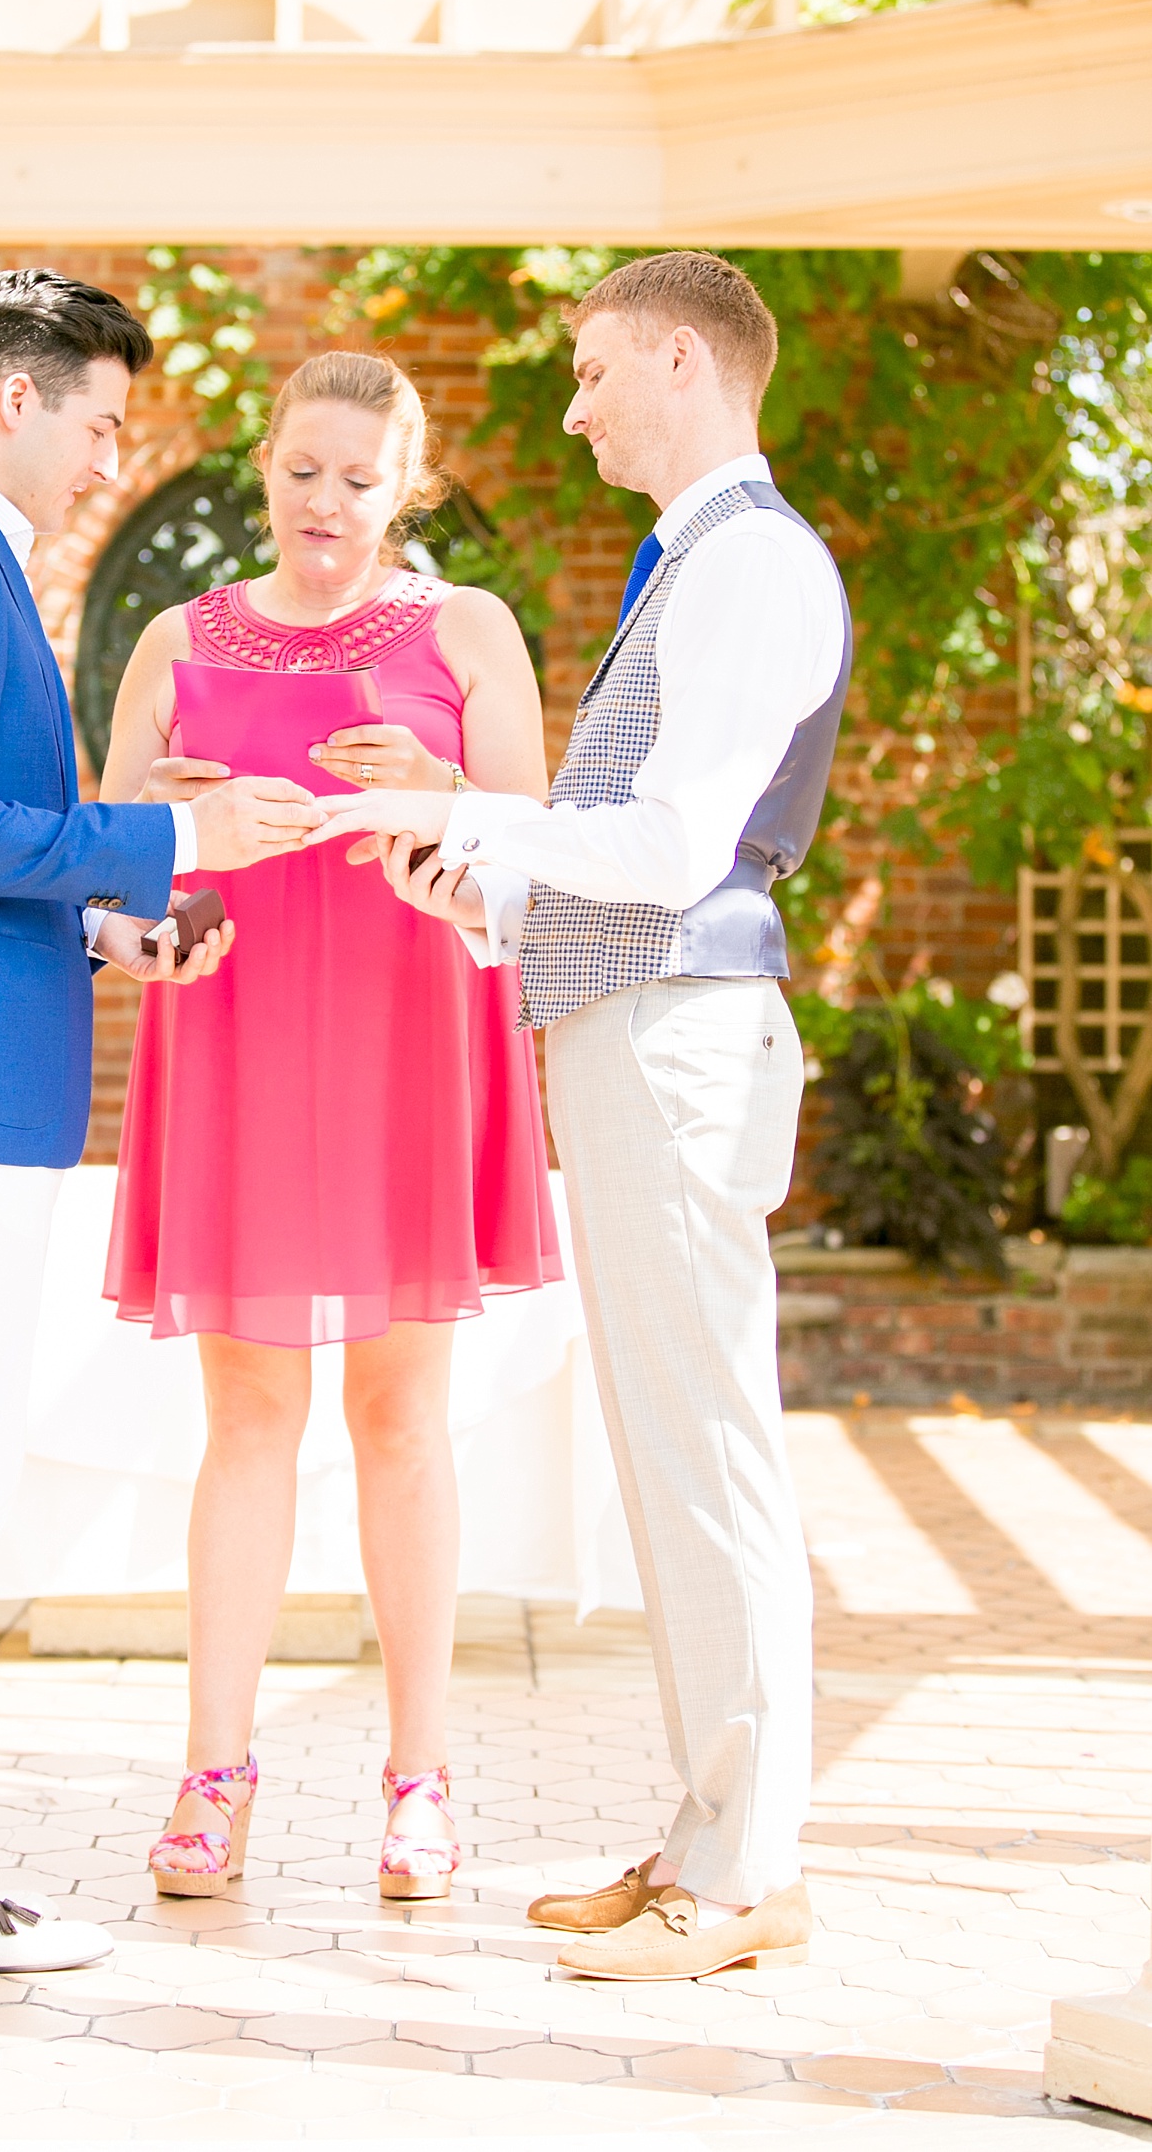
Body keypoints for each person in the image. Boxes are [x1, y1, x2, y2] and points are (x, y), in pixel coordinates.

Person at [0, 268, 325, 1976]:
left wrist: (110, 922)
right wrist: (174, 844)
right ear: (16, 397)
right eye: (99, 424)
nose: (108, 462)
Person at [317, 254, 850, 1981]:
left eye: (595, 369)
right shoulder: (695, 562)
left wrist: (484, 808)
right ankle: (713, 1831)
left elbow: (682, 847)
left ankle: (748, 1860)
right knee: (670, 1455)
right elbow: (616, 858)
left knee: (708, 1455)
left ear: (682, 359)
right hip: (634, 1024)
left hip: (681, 1044)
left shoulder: (752, 565)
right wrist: (467, 882)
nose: (575, 404)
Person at [99, 351, 561, 1903]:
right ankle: (210, 1773)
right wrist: (157, 862)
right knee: (244, 1418)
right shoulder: (174, 637)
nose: (328, 504)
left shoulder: (470, 631)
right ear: (267, 463)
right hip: (232, 1021)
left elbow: (535, 868)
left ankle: (418, 1781)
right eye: (306, 470)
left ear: (405, 486)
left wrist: (439, 786)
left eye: (362, 479)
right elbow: (108, 879)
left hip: (408, 1037)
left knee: (398, 1416)